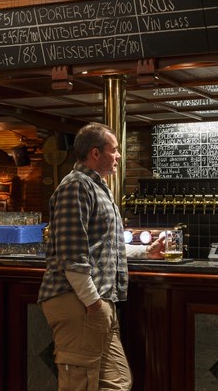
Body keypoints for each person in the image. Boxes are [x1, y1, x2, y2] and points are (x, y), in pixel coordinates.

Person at [38, 122, 164, 390]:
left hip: (98, 304)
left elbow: (105, 246)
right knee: (79, 384)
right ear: (95, 153)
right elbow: (73, 255)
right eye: (114, 150)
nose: (119, 156)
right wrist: (93, 302)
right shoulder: (76, 186)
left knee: (116, 382)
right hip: (80, 302)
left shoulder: (98, 187)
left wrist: (146, 251)